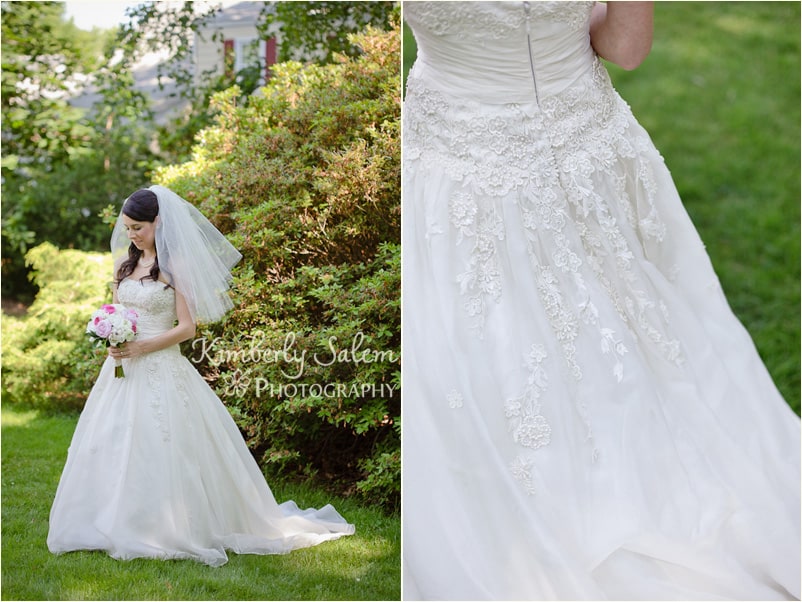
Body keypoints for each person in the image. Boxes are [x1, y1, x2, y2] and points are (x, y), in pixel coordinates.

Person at [401, 1, 800, 599]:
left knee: (485, 351)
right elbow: (627, 47)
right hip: (581, 144)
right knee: (639, 340)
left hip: (462, 157)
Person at [47, 185, 354, 566]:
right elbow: (114, 307)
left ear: (158, 223)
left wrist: (143, 345)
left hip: (161, 365)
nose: (131, 235)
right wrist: (111, 332)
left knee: (165, 444)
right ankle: (107, 519)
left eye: (138, 227)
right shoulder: (124, 266)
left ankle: (172, 526)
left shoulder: (177, 269)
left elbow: (188, 328)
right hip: (121, 368)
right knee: (113, 441)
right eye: (127, 228)